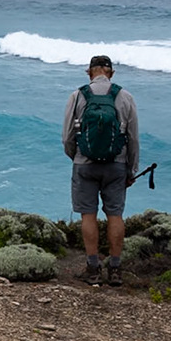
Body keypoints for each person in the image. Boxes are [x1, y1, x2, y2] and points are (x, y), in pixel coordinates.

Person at [62, 54, 139, 285]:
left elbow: (67, 137)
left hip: (84, 164)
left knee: (88, 215)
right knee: (115, 215)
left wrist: (76, 156)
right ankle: (115, 270)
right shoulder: (125, 97)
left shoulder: (77, 96)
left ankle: (93, 269)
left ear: (89, 72)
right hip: (116, 165)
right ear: (111, 73)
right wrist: (131, 169)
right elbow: (133, 138)